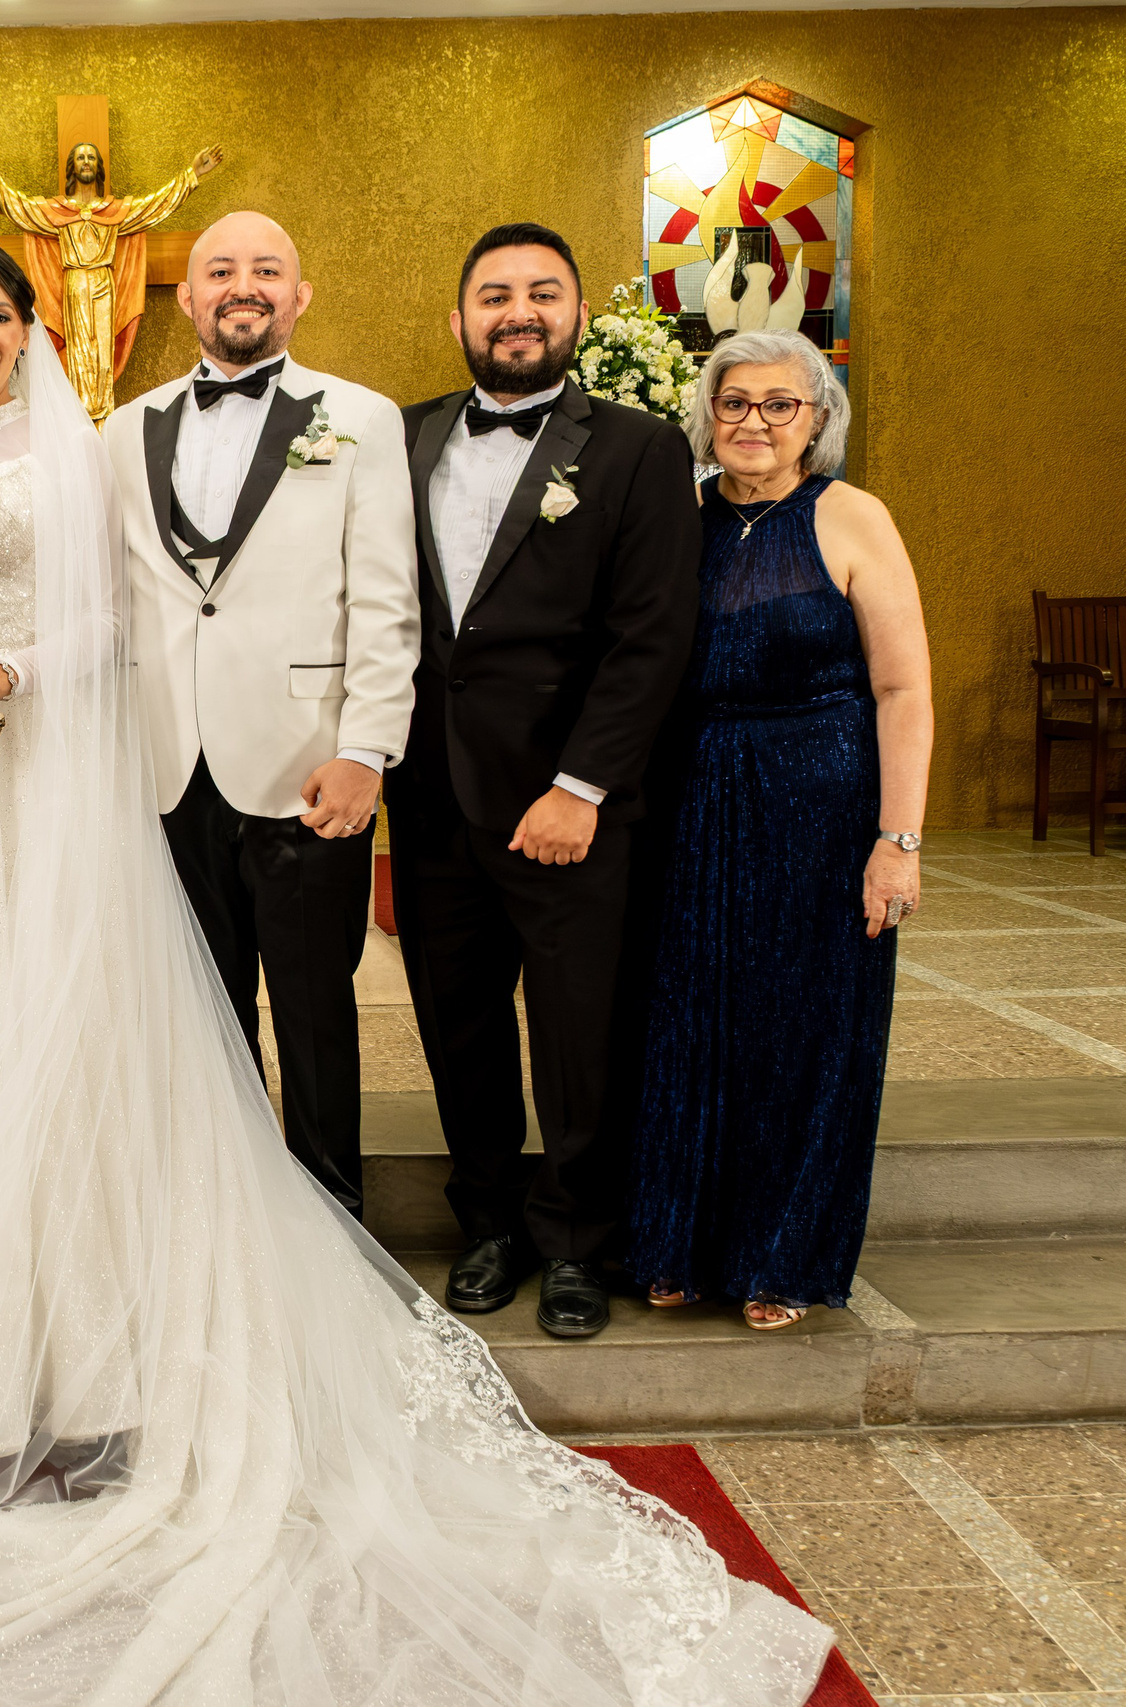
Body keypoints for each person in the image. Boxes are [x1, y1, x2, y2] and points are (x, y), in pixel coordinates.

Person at [0, 242, 829, 1707]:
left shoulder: (199, 435)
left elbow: (131, 615)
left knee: (194, 1030)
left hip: (93, 773)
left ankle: (415, 1238)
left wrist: (34, 677)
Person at [388, 223, 702, 1337]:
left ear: (572, 313)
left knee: (579, 1026)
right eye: (492, 295)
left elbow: (651, 637)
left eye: (540, 293)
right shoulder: (403, 437)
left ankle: (577, 1238)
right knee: (456, 1022)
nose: (515, 312)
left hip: (566, 801)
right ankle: (489, 1219)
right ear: (460, 316)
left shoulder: (636, 447)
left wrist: (582, 786)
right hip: (428, 796)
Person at [104, 210, 420, 1222]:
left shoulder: (361, 419)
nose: (244, 286)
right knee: (200, 1010)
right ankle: (227, 1214)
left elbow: (384, 597)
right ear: (186, 297)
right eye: (220, 271)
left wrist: (366, 748)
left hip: (305, 762)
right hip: (165, 764)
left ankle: (332, 1216)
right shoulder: (122, 430)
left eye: (267, 270)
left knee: (316, 1007)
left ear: (299, 295)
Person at [625, 328, 932, 1330]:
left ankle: (783, 1259)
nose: (752, 420)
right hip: (690, 803)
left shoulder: (852, 517)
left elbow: (902, 688)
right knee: (686, 1024)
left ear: (817, 419)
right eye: (733, 402)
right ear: (706, 415)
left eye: (777, 404)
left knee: (806, 1032)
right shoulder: (678, 516)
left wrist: (898, 839)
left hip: (824, 811)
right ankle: (678, 1242)